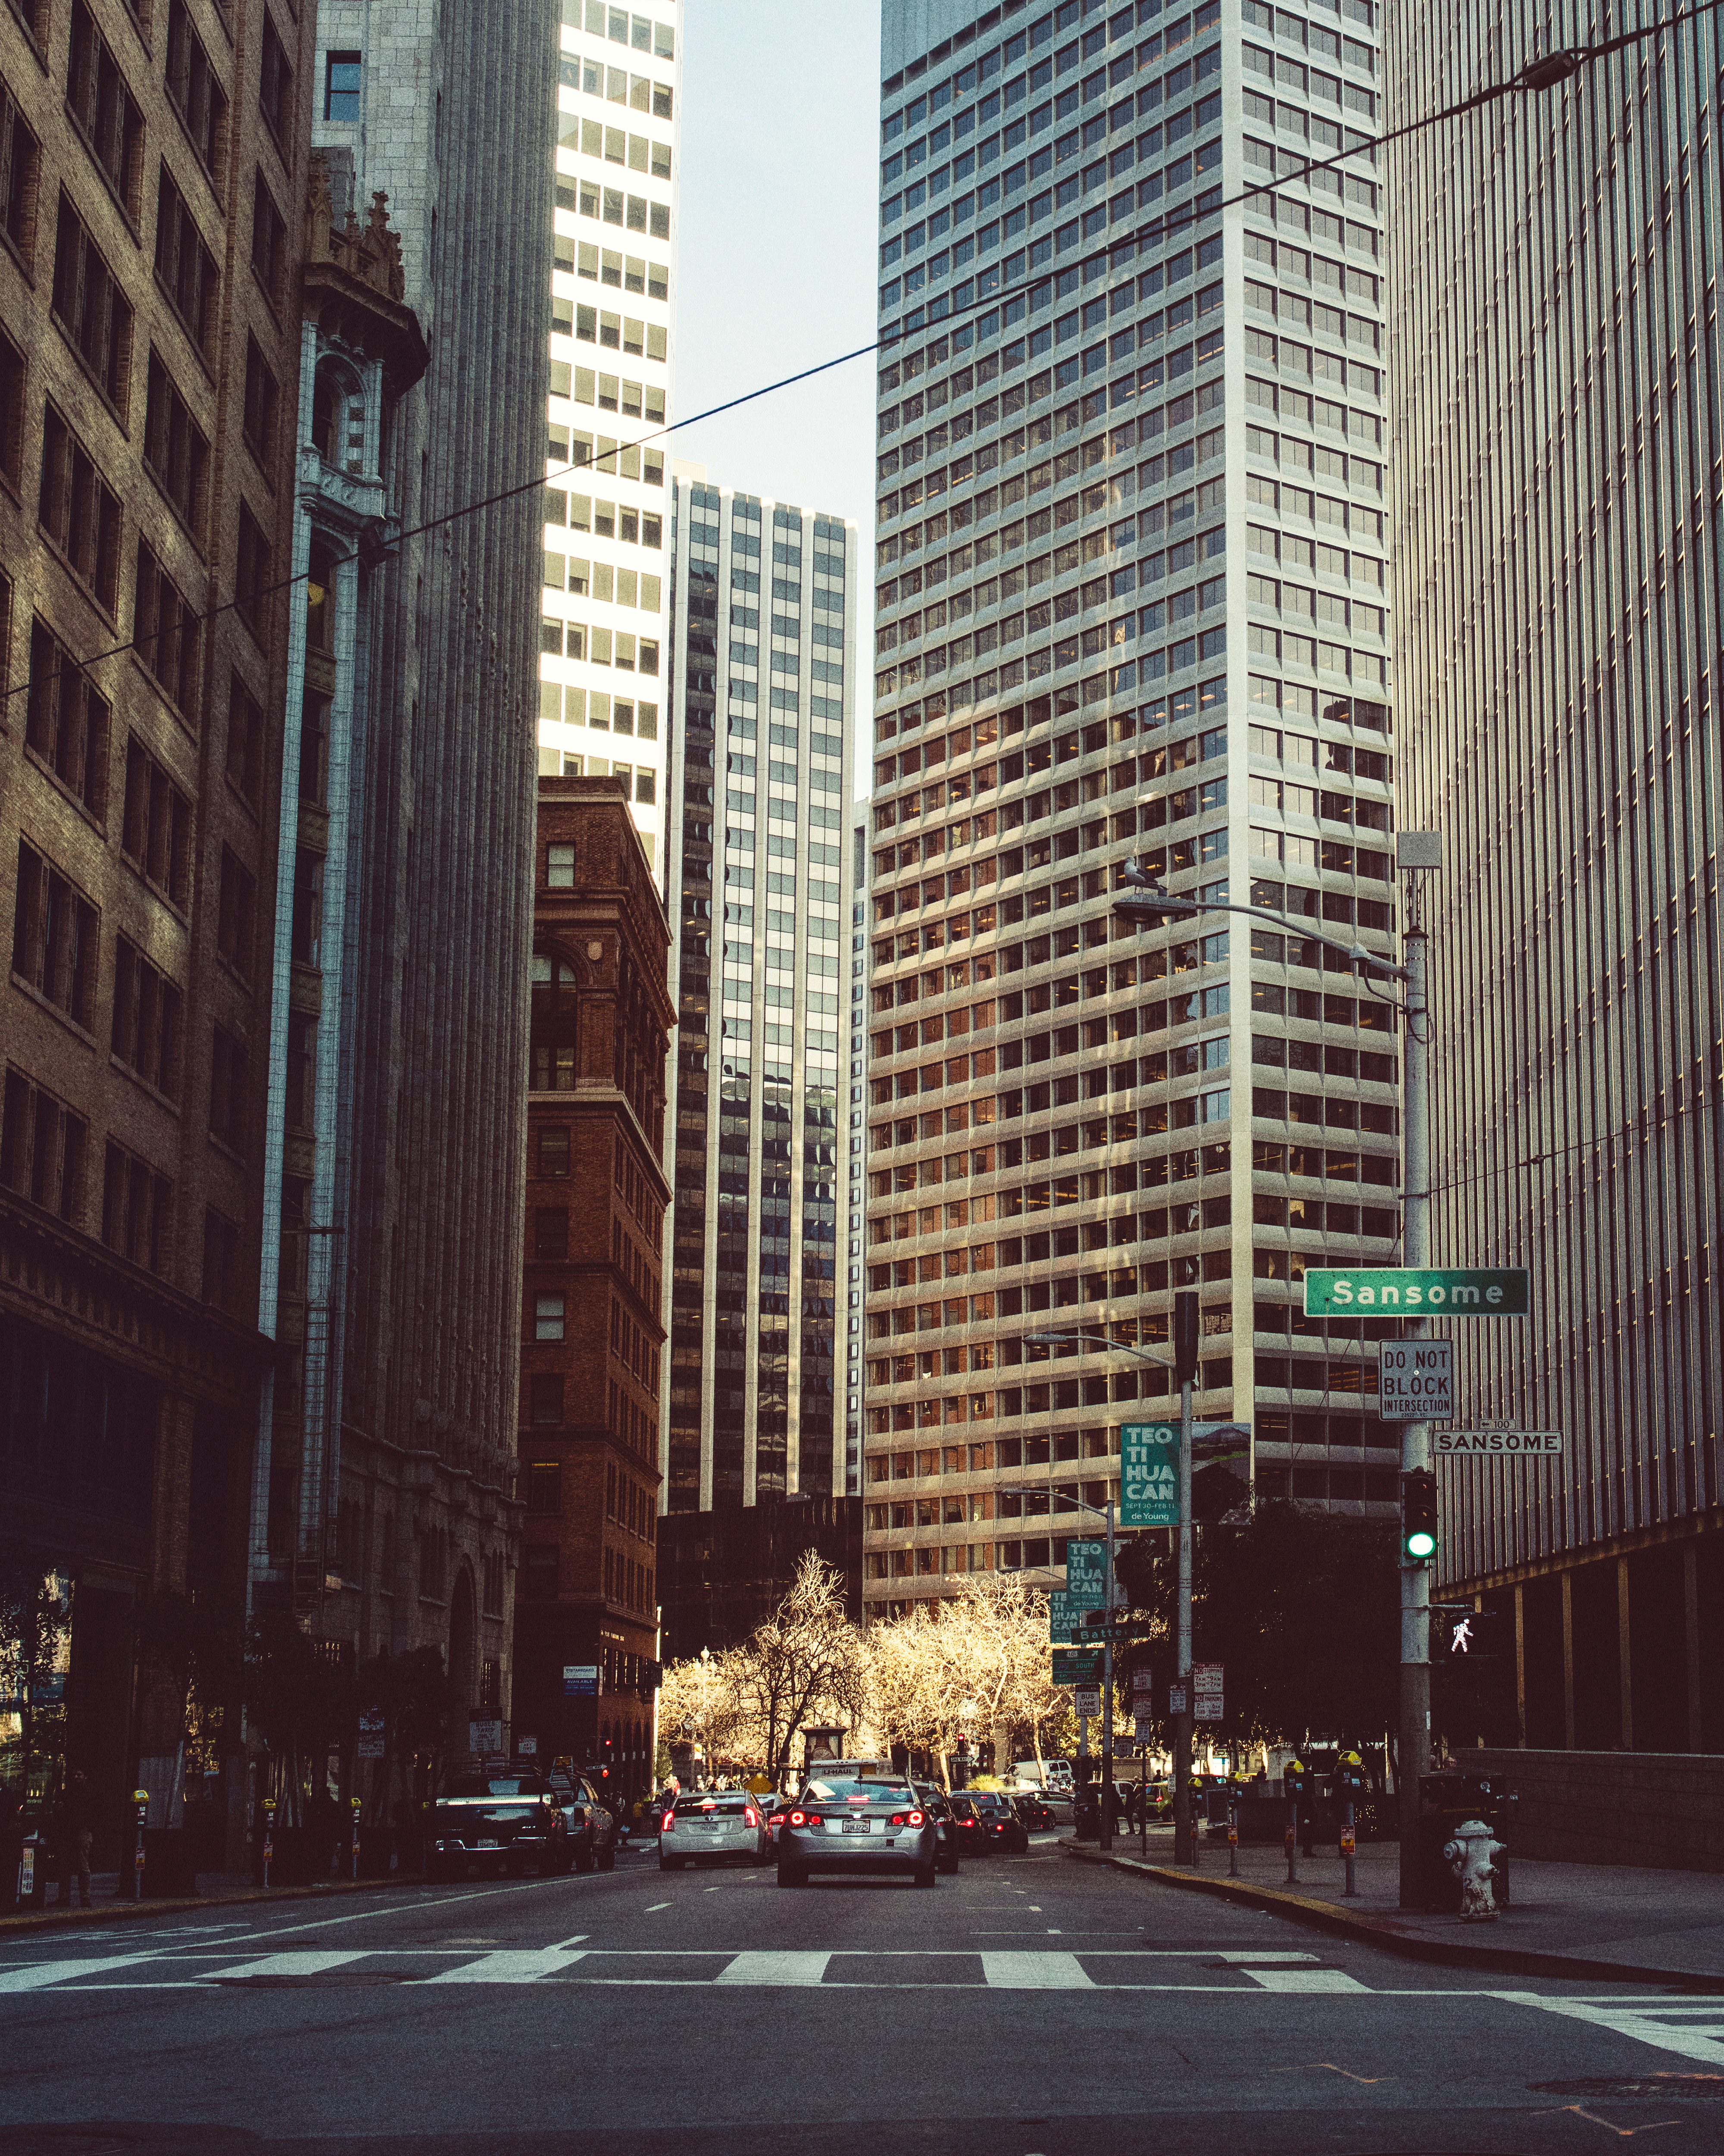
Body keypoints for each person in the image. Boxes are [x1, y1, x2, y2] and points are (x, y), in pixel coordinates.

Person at [55, 1771, 95, 1909]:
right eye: (75, 1775)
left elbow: (98, 1812)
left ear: (86, 1776)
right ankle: (71, 1897)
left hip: (81, 1830)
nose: (76, 1777)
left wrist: (89, 1827)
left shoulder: (89, 1793)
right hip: (70, 1831)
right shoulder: (69, 1792)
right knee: (66, 1864)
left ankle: (82, 1897)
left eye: (80, 1774)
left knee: (81, 1864)